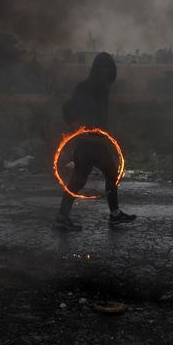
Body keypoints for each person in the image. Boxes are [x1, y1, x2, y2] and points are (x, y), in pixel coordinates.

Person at [53, 52, 136, 231]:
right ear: (96, 69)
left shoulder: (102, 88)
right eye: (102, 68)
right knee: (97, 175)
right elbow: (68, 108)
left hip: (96, 141)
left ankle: (63, 216)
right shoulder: (86, 87)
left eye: (108, 68)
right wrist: (79, 129)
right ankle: (113, 215)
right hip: (88, 142)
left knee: (83, 178)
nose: (105, 72)